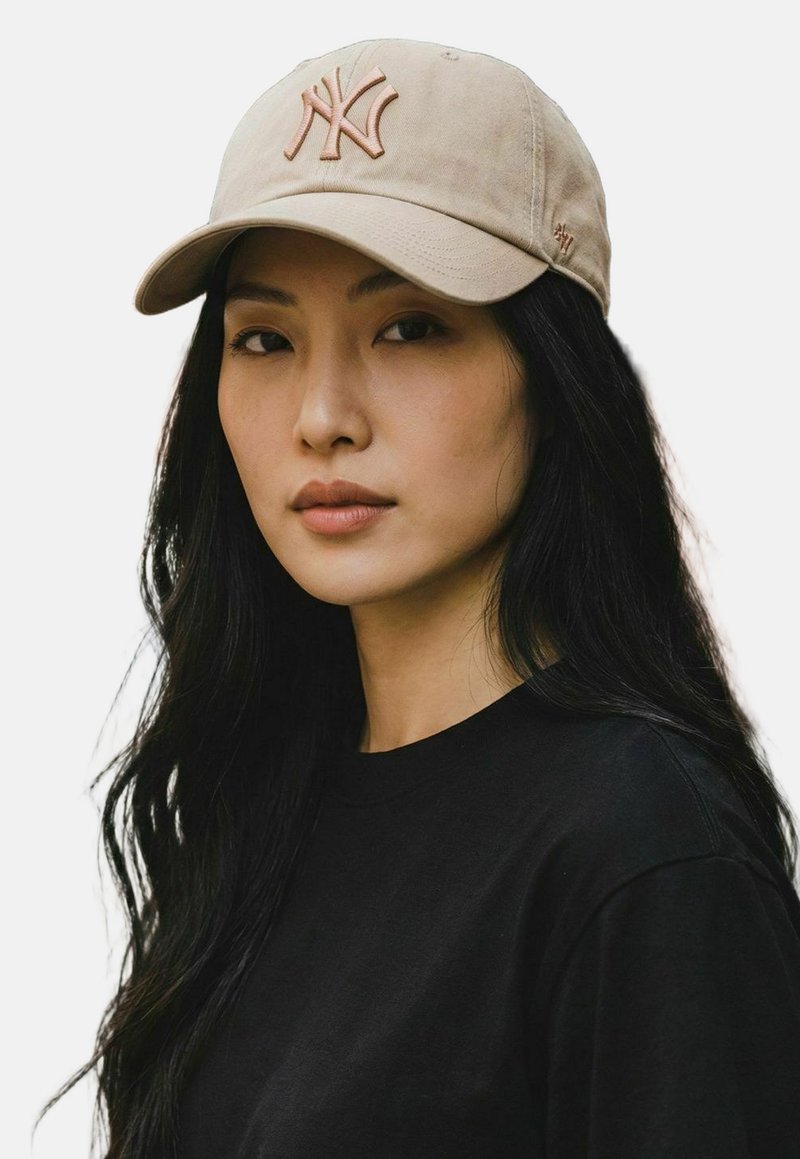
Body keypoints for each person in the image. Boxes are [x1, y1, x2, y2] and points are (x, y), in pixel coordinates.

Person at [43, 37, 800, 1158]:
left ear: (551, 380)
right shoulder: (264, 794)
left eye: (409, 327)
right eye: (263, 338)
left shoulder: (641, 853)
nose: (322, 414)